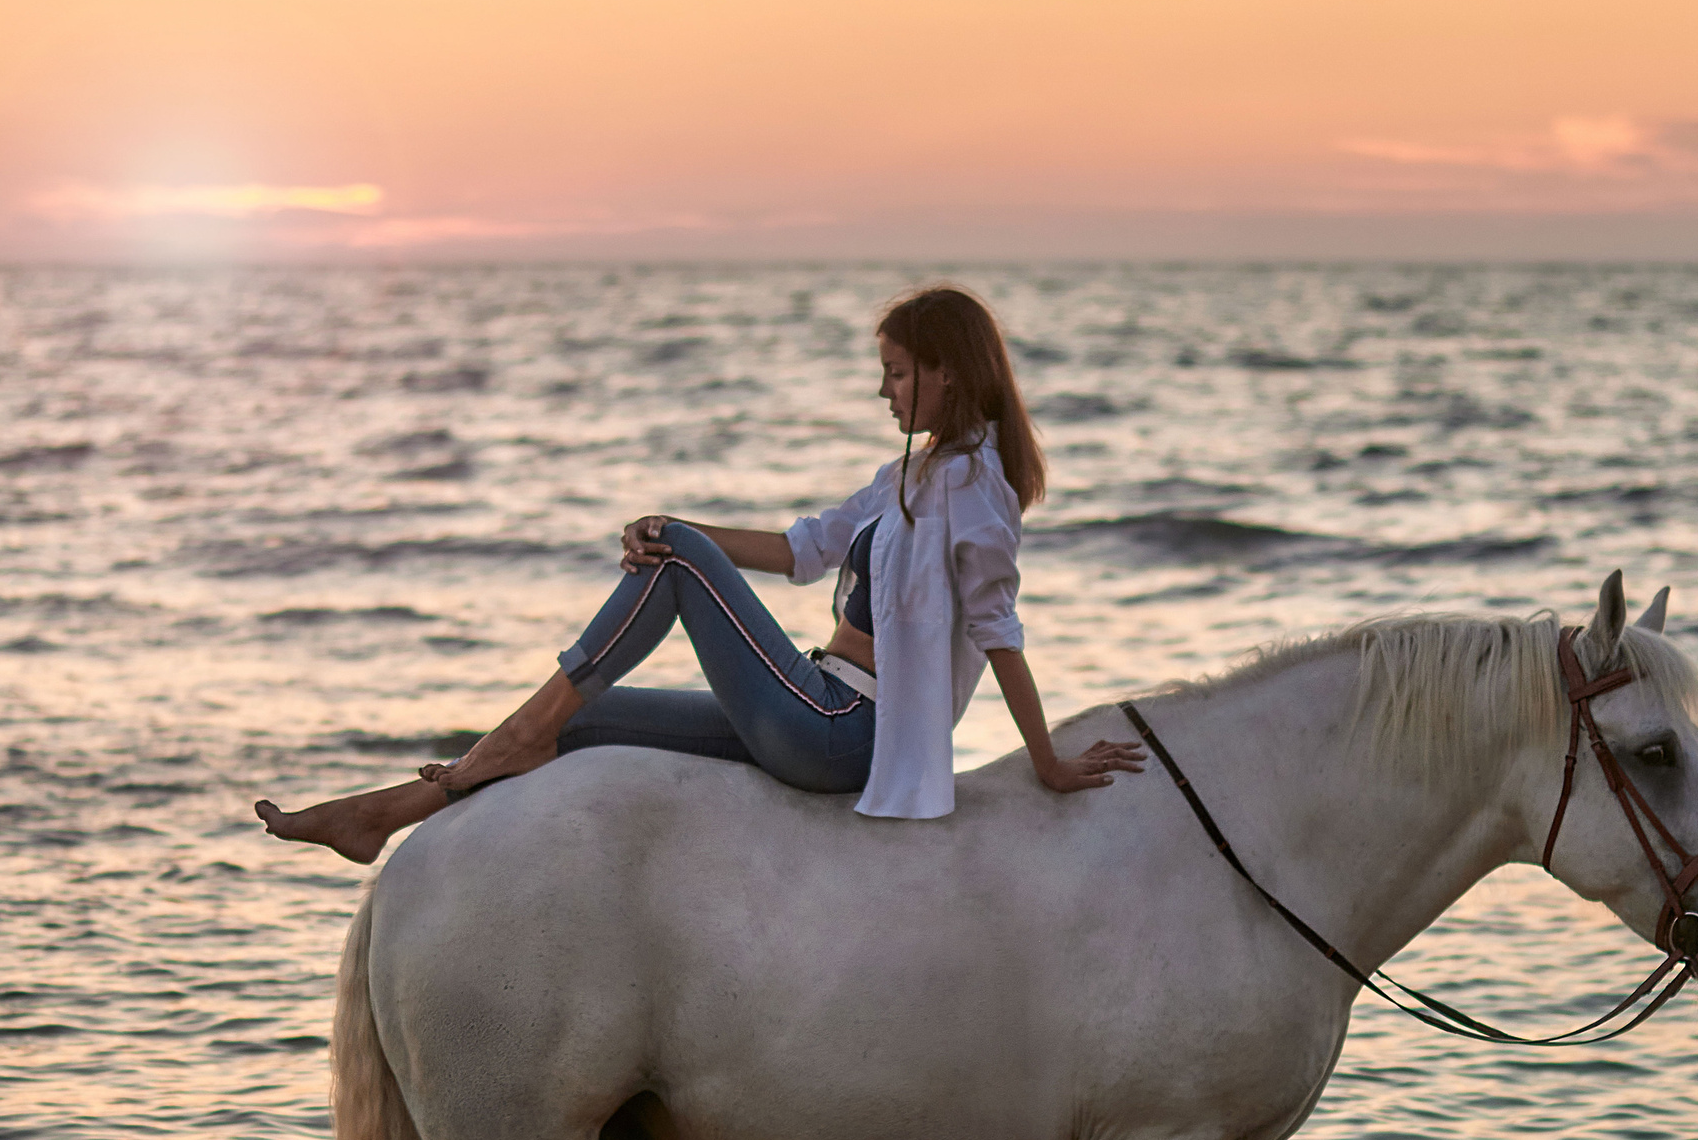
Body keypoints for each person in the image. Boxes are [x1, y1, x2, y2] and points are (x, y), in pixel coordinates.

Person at [254, 285, 1143, 864]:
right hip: (813, 697)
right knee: (590, 716)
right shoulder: (907, 474)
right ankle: (390, 811)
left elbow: (998, 633)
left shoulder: (978, 489)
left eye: (898, 374)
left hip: (848, 728)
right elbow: (804, 550)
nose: (885, 394)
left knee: (674, 560)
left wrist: (1049, 763)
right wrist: (683, 522)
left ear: (948, 374)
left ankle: (485, 758)